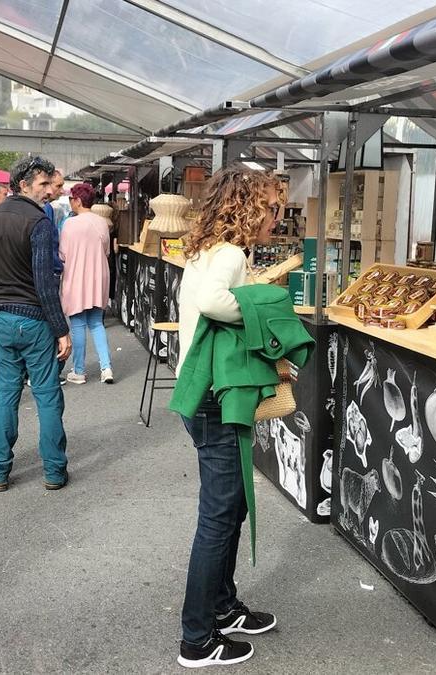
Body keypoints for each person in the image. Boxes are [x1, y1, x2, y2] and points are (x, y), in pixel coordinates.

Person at [172, 167, 287, 668]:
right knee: (219, 517)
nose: (277, 217)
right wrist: (260, 304)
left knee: (231, 507)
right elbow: (213, 302)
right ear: (248, 208)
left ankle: (222, 607)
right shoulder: (232, 253)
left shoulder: (209, 248)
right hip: (216, 398)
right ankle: (197, 638)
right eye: (272, 206)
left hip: (203, 393)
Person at [0, 155, 71, 491]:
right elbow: (45, 283)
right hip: (35, 321)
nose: (48, 191)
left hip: (2, 318)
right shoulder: (39, 222)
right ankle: (54, 471)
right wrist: (62, 330)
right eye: (42, 184)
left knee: (7, 394)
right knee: (47, 396)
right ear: (23, 184)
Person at [59, 183, 113, 385]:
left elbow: (63, 254)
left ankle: (79, 370)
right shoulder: (102, 222)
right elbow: (106, 250)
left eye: (71, 199)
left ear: (78, 200)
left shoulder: (70, 224)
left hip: (76, 277)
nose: (70, 202)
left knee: (78, 325)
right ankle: (106, 367)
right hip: (98, 276)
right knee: (97, 323)